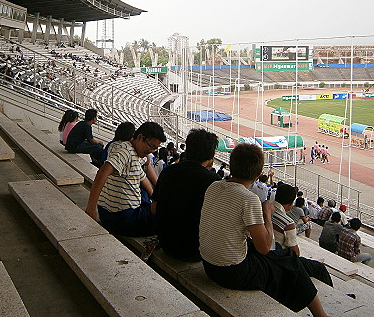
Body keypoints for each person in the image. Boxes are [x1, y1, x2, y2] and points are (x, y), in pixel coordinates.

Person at [198, 144, 329, 316]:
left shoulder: (214, 186)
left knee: (281, 258)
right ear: (259, 173)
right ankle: (321, 314)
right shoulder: (248, 198)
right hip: (231, 272)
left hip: (209, 265)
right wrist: (266, 213)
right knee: (290, 260)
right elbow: (265, 247)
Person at [85, 122, 166, 237]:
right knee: (168, 220)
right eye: (151, 146)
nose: (151, 151)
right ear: (140, 137)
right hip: (124, 218)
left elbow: (143, 176)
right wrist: (91, 208)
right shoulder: (125, 152)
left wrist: (155, 196)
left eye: (155, 149)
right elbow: (102, 172)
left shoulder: (130, 150)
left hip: (108, 214)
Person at [151, 128, 220, 261]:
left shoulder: (168, 171)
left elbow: (154, 208)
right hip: (194, 251)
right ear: (212, 154)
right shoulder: (213, 181)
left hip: (167, 244)